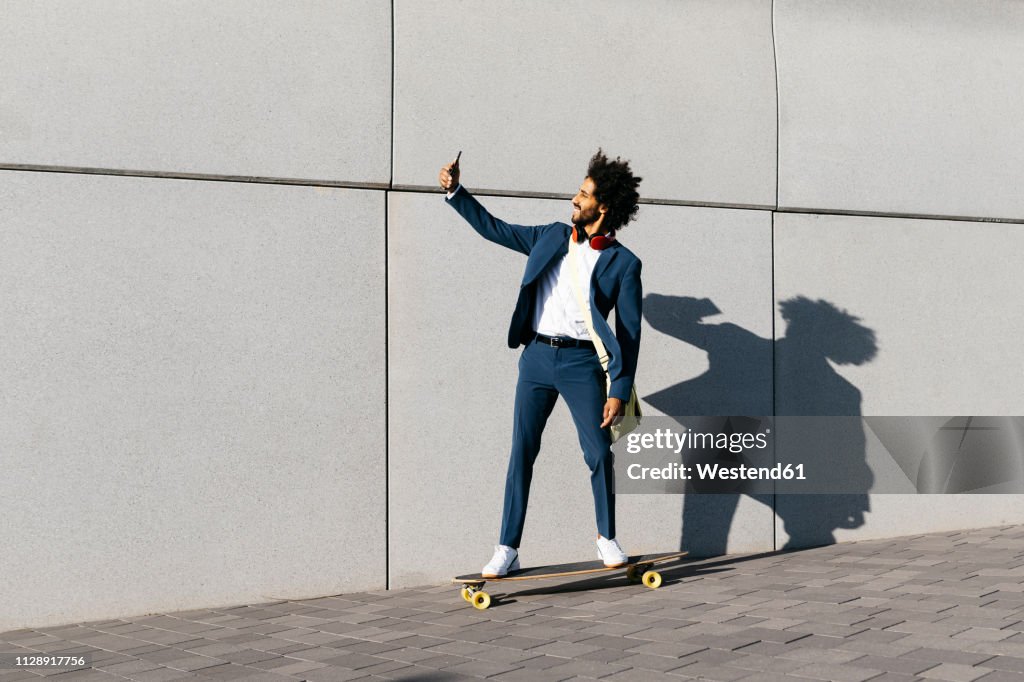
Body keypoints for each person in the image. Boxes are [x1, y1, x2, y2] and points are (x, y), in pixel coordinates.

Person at [438, 150, 643, 577]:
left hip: (582, 364)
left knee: (599, 452)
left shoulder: (624, 264)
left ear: (602, 206)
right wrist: (456, 192)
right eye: (579, 190)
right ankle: (507, 548)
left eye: (584, 194)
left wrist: (619, 390)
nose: (575, 197)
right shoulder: (550, 236)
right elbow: (496, 229)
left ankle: (607, 537)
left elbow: (629, 333)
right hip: (535, 359)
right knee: (522, 453)